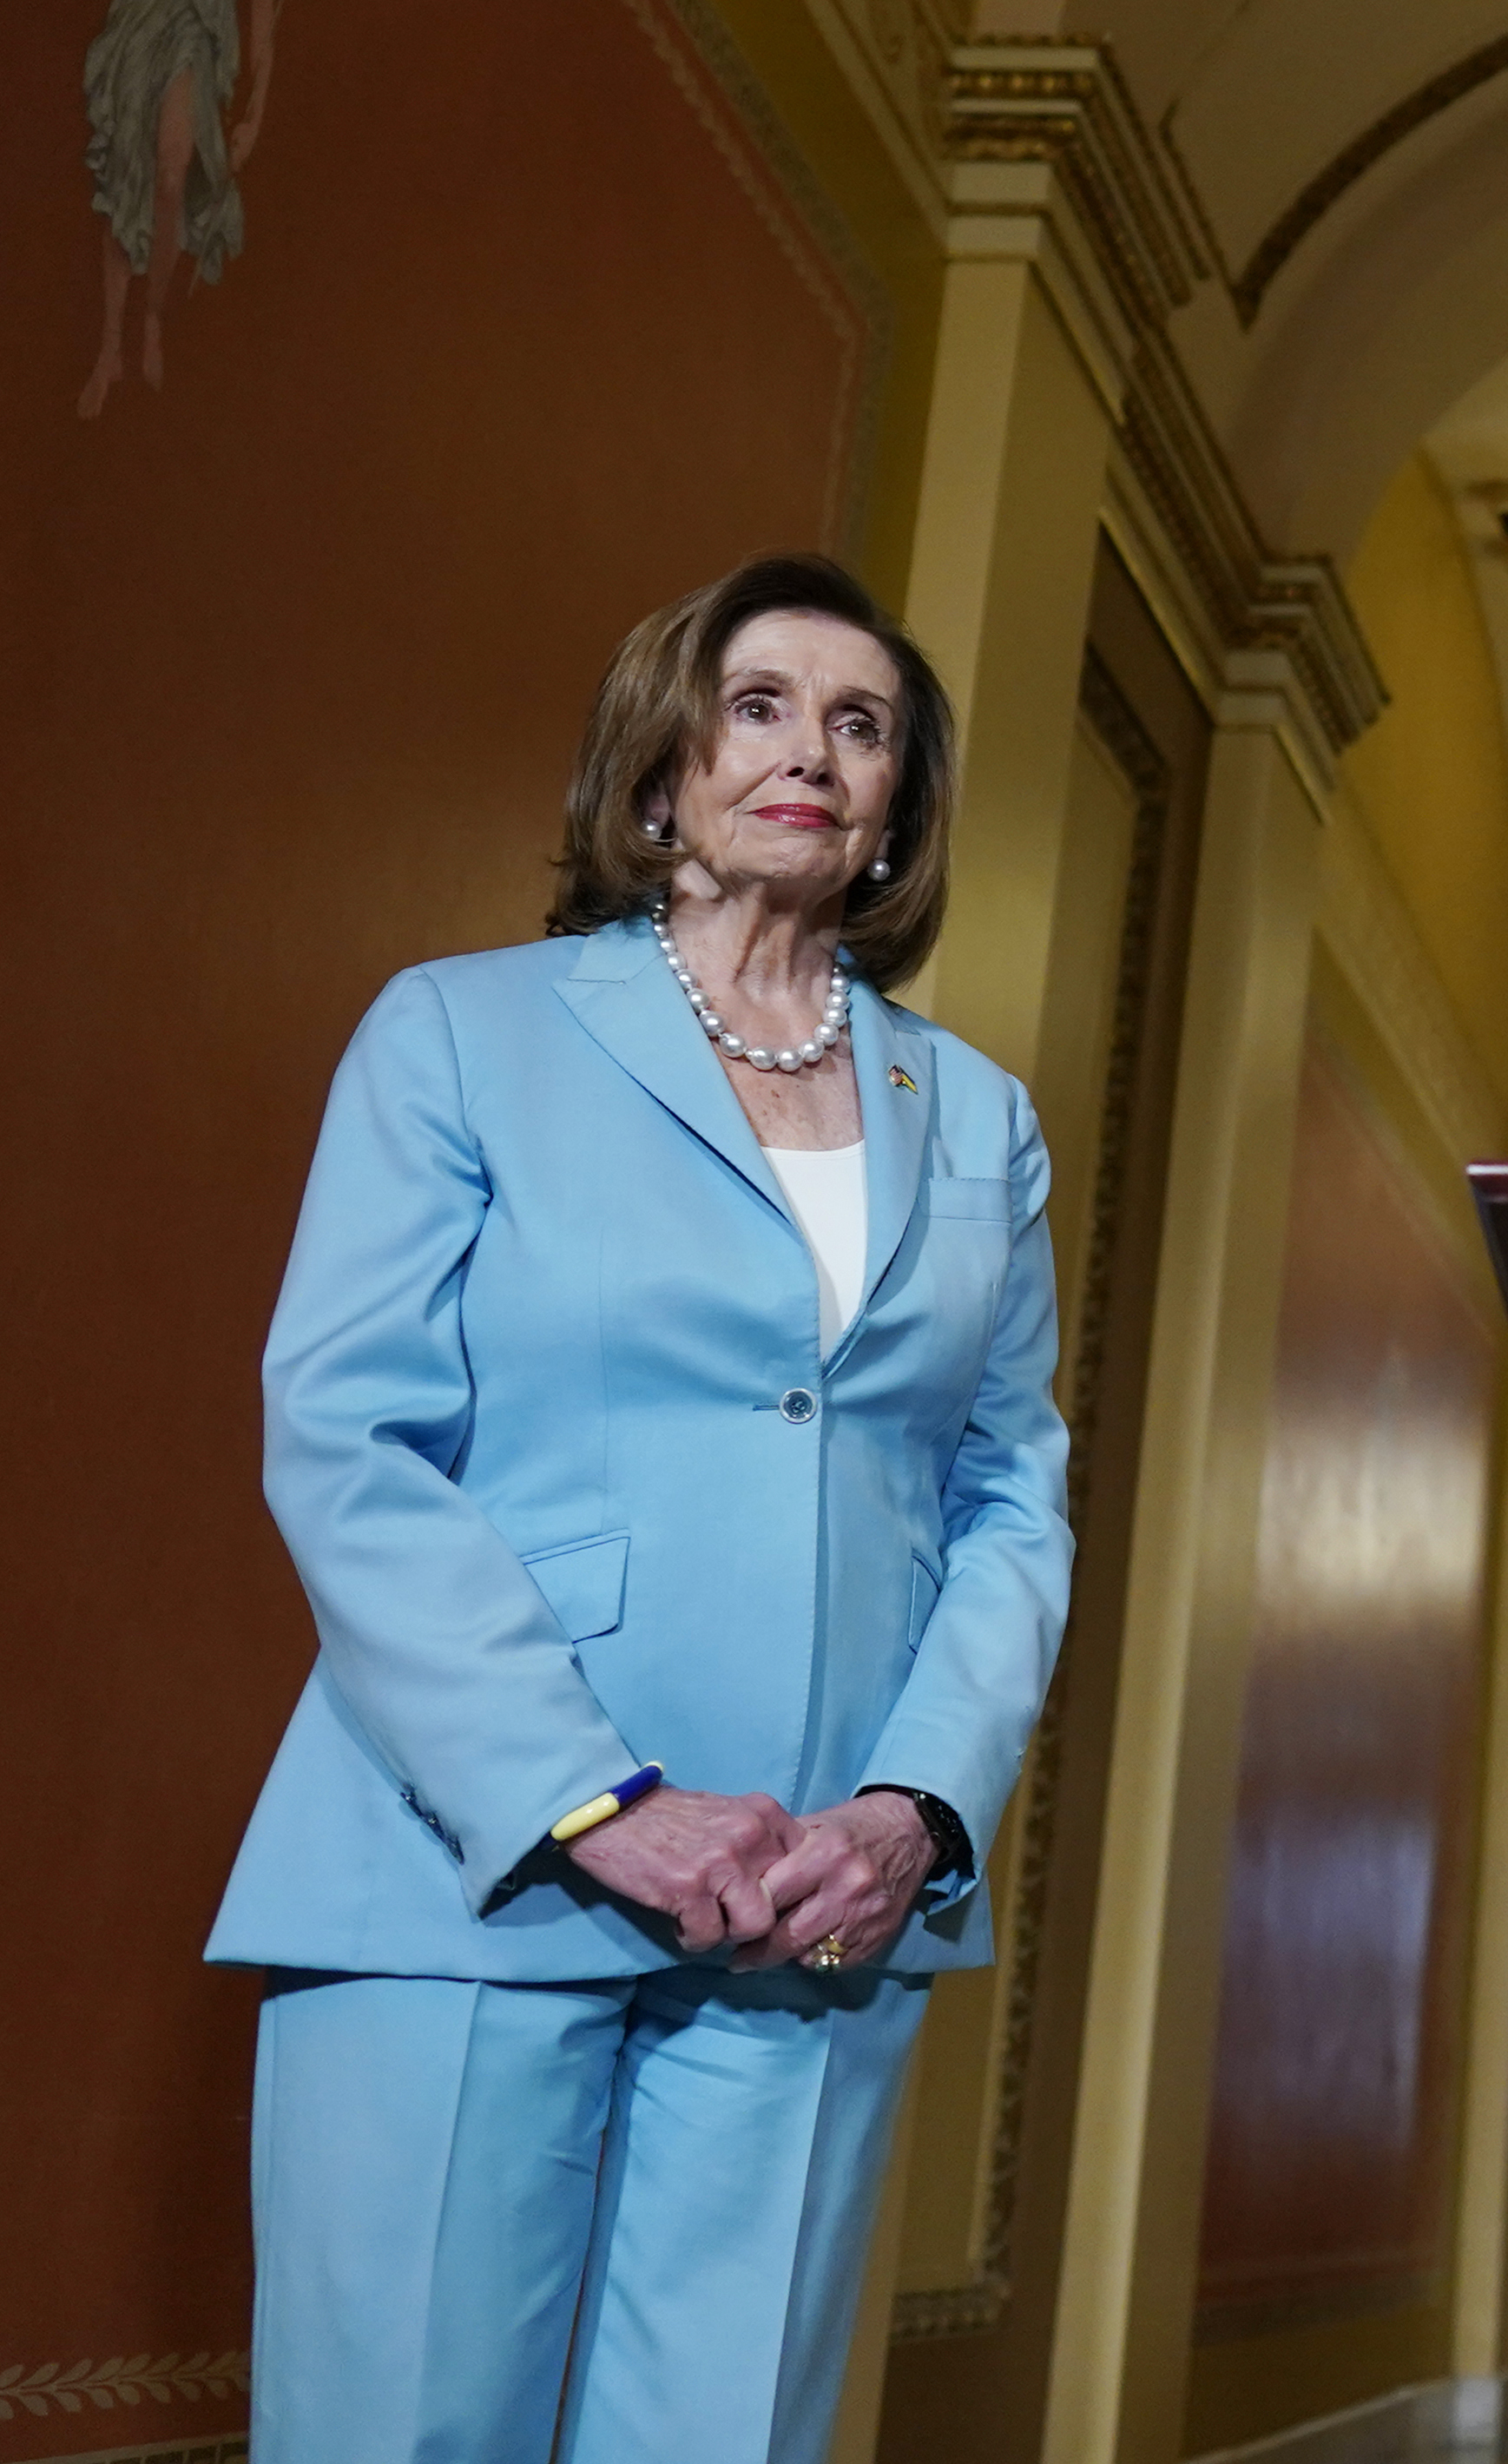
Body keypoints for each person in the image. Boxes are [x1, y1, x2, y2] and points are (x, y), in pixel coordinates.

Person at [207, 553, 1074, 2463]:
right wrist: (594, 1799)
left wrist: (910, 1809)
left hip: (811, 1907)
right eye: (759, 705)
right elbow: (345, 1435)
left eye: (862, 726)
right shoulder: (460, 1032)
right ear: (663, 768)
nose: (810, 754)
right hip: (469, 1867)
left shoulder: (977, 1116)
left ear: (895, 813)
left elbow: (1011, 1491)